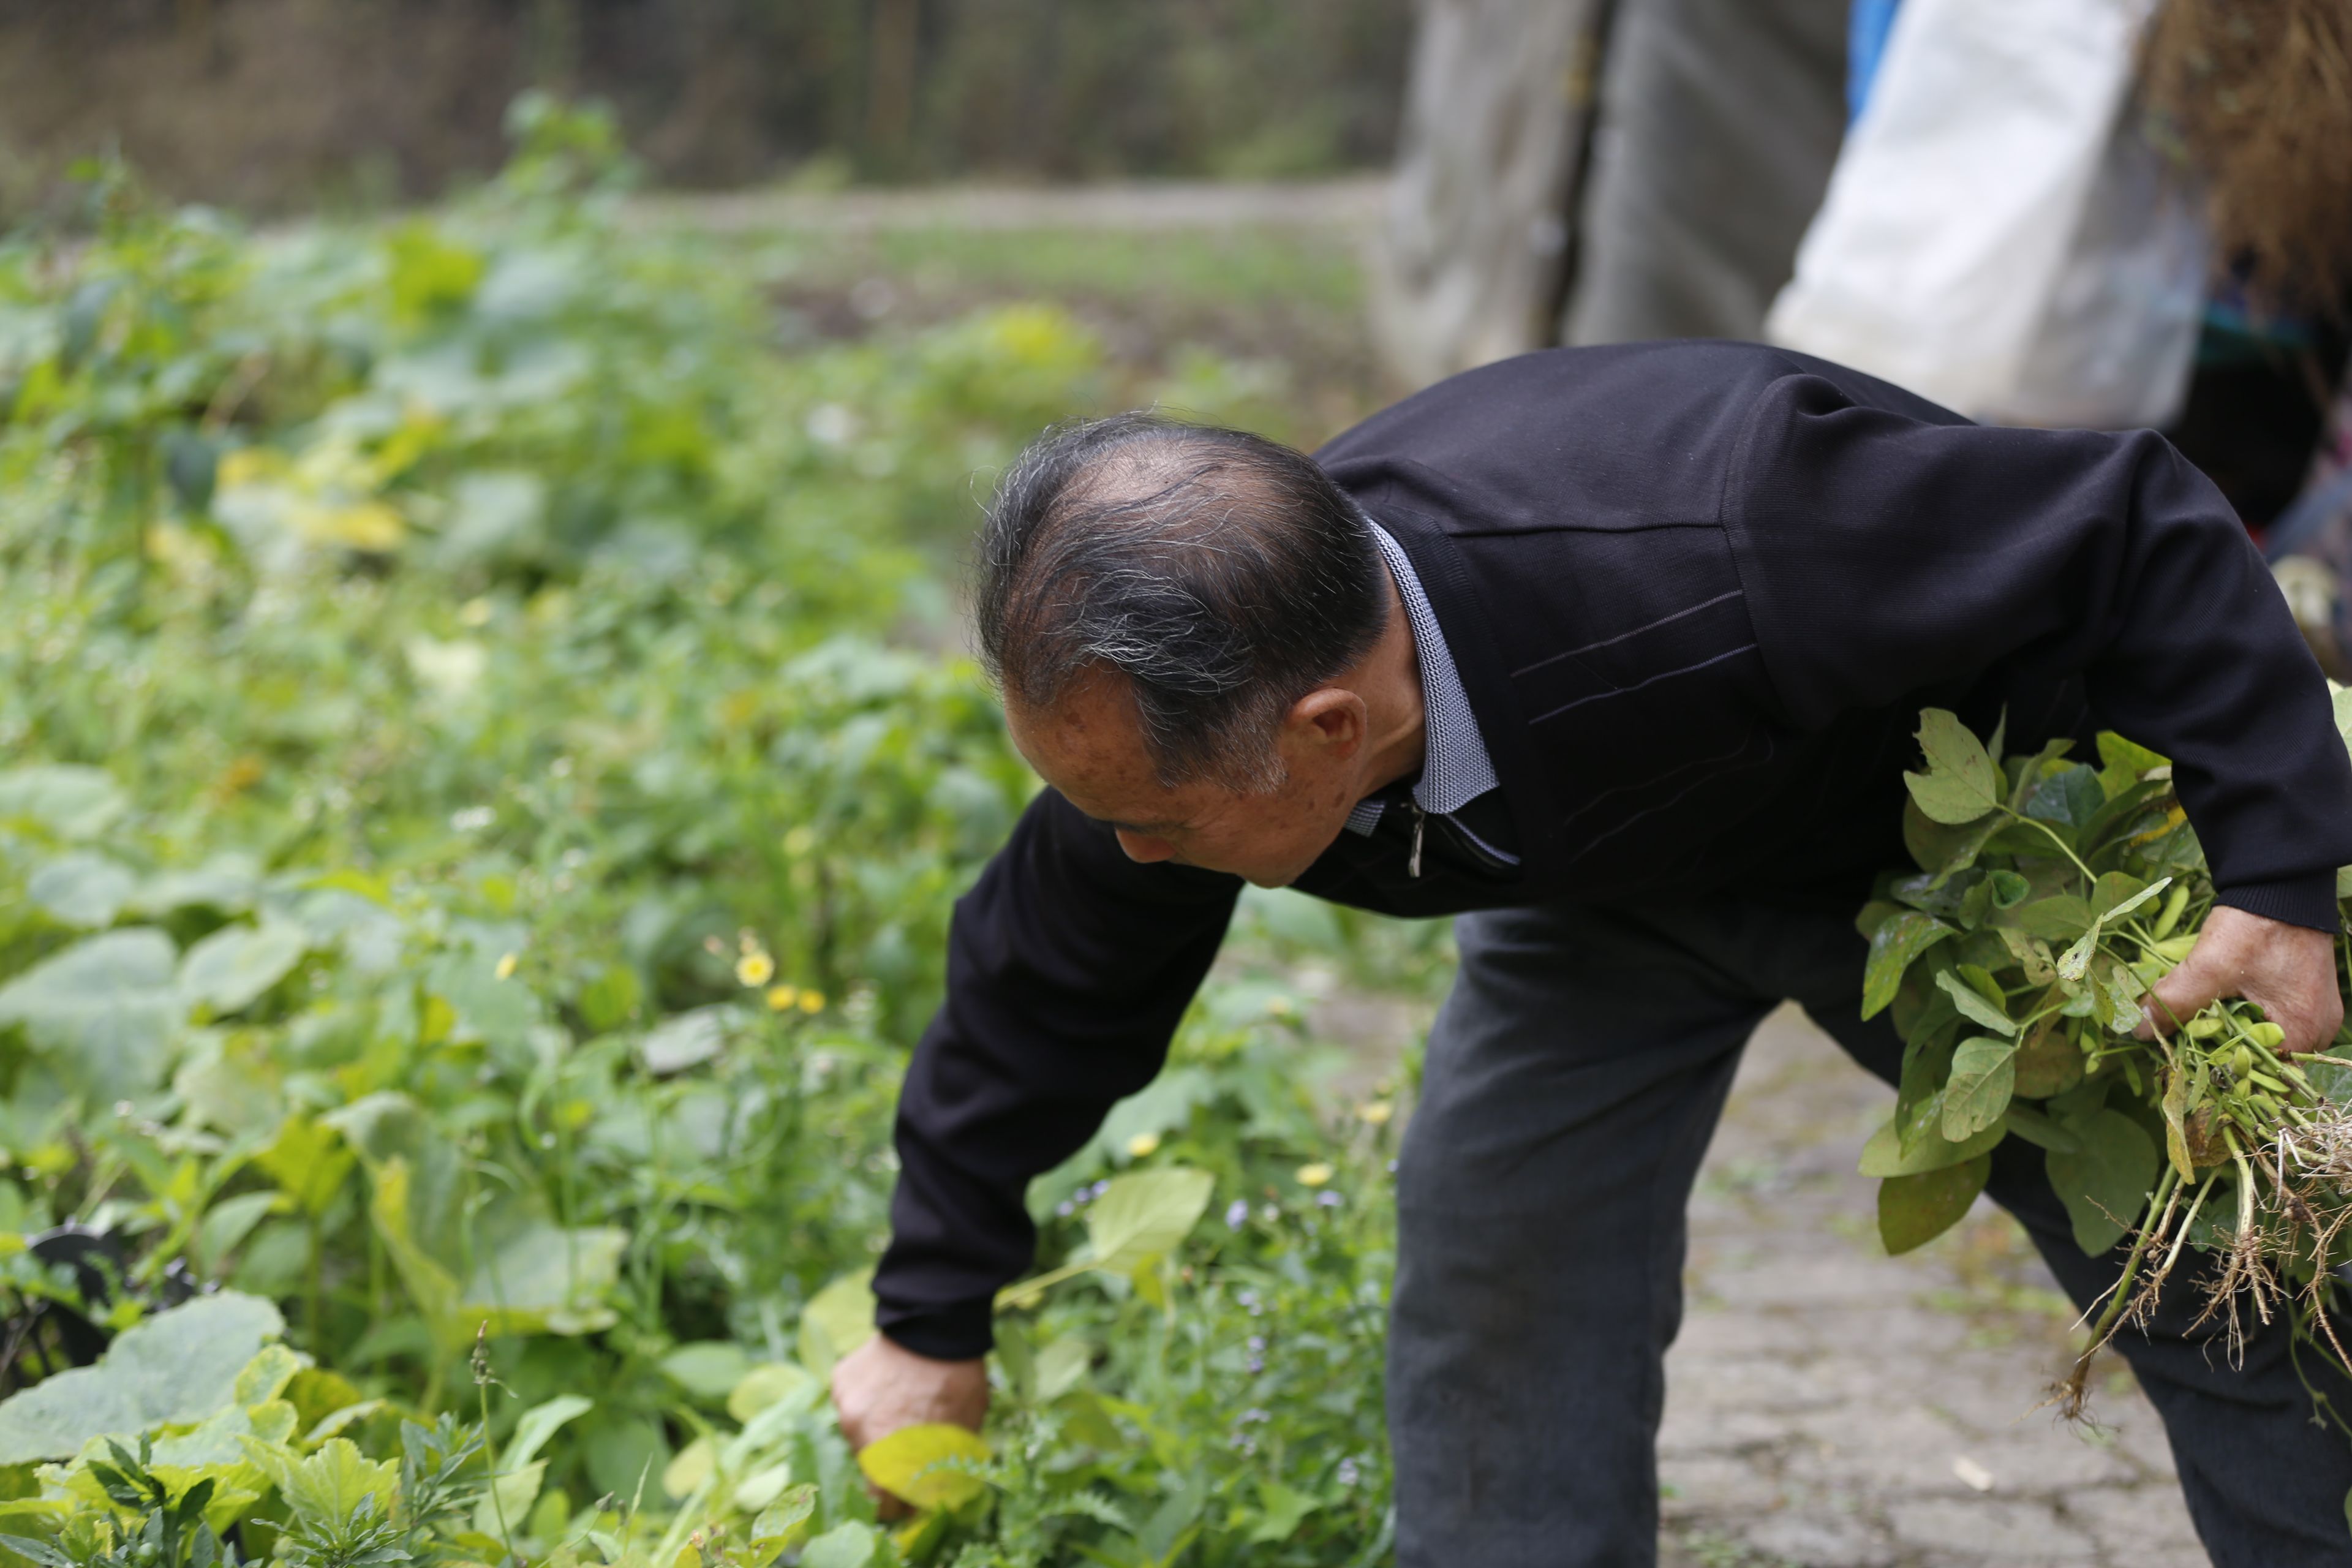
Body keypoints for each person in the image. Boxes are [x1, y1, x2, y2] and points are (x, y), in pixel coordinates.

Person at [829, 341, 2352, 1567]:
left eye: (1154, 821)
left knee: (2207, 1269)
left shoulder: (1738, 530)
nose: (1132, 851)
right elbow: (1047, 983)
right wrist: (926, 1315)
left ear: (1331, 732)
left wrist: (2278, 871)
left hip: (1935, 861)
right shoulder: (1202, 703)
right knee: (1501, 1268)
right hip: (1604, 882)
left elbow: (2130, 525)